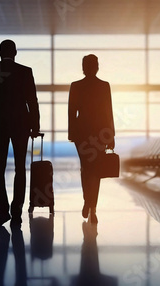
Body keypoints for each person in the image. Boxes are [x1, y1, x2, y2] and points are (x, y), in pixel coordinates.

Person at [0, 39, 40, 227]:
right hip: (21, 125)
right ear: (15, 53)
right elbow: (32, 101)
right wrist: (34, 126)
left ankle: (2, 212)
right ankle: (17, 212)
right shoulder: (25, 71)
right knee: (20, 168)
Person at [68, 54, 115, 224]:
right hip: (100, 133)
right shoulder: (104, 86)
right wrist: (111, 135)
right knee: (96, 170)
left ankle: (88, 201)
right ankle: (92, 207)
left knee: (86, 168)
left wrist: (72, 134)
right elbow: (108, 112)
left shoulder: (76, 86)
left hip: (82, 132)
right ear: (97, 67)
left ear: (83, 67)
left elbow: (72, 112)